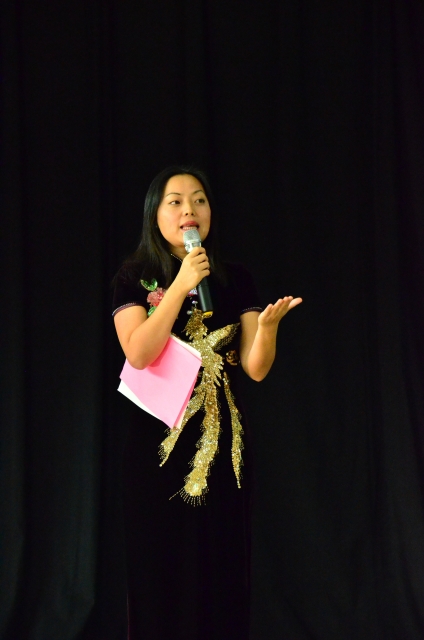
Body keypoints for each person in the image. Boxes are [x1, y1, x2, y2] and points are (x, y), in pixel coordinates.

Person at [112, 165, 302, 640]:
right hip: (157, 450)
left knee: (223, 574)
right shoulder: (135, 277)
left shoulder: (235, 278)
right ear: (154, 213)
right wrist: (179, 286)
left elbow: (256, 367)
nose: (189, 210)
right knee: (161, 576)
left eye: (199, 200)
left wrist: (269, 330)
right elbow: (138, 353)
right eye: (175, 201)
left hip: (225, 451)